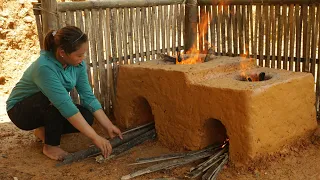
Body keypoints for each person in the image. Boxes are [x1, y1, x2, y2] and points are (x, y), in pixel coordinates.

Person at [6, 26, 122, 161]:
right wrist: (95, 137)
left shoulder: (78, 65)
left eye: (84, 54)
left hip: (48, 105)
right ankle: (50, 147)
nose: (82, 58)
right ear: (62, 52)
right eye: (79, 55)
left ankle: (43, 131)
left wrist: (108, 125)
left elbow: (88, 97)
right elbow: (65, 105)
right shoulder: (44, 67)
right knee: (55, 103)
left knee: (87, 117)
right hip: (21, 111)